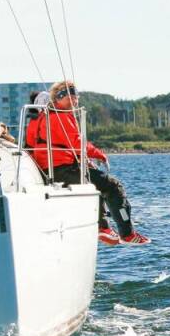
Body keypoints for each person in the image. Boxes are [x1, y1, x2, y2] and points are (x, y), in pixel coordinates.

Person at [28, 81, 150, 246]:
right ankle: (126, 234)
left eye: (76, 97)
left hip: (52, 169)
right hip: (63, 170)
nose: (74, 100)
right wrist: (99, 155)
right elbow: (77, 142)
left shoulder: (43, 117)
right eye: (69, 97)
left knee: (96, 183)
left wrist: (85, 161)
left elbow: (61, 144)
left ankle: (103, 227)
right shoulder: (61, 116)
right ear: (58, 98)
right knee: (114, 187)